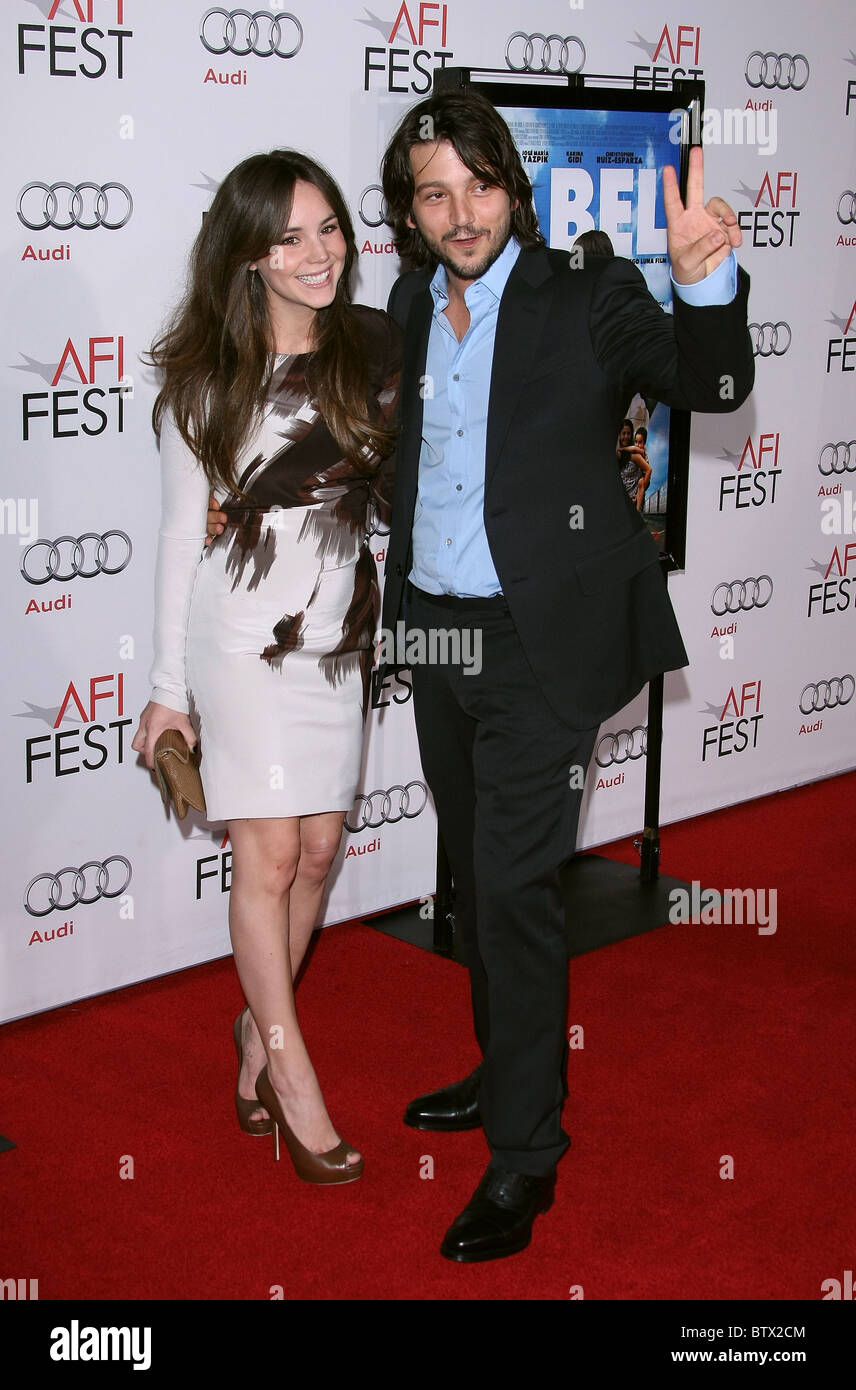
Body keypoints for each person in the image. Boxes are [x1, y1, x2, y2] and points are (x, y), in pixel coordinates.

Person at [373, 89, 754, 1261]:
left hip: (541, 643)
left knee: (516, 893)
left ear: (512, 187)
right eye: (434, 192)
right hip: (437, 634)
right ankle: (504, 1068)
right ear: (410, 212)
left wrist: (702, 283)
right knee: (474, 882)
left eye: (479, 185)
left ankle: (526, 1157)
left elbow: (712, 387)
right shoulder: (401, 303)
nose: (461, 211)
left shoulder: (590, 291)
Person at [132, 150, 400, 1185]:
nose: (318, 251)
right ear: (247, 253)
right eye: (289, 235)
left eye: (329, 226)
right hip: (239, 636)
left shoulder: (371, 348)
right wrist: (166, 687)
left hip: (336, 628)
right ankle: (290, 1076)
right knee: (271, 856)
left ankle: (253, 1028)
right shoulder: (206, 381)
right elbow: (173, 537)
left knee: (323, 851)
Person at [616, 418, 652, 511]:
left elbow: (648, 471)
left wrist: (639, 493)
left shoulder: (635, 454)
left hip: (632, 502)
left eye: (629, 433)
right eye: (624, 433)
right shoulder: (619, 454)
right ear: (619, 434)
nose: (626, 436)